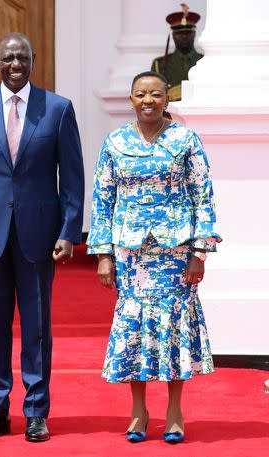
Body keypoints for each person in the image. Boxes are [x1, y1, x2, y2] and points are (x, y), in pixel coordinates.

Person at [0, 32, 85, 442]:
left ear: (34, 60)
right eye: (8, 58)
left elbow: (72, 178)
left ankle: (37, 410)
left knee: (37, 326)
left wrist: (69, 230)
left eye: (22, 57)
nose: (15, 64)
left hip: (39, 235)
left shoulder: (58, 109)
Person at [87, 71, 221, 444]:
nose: (148, 100)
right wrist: (102, 255)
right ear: (130, 99)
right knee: (135, 328)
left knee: (174, 326)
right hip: (131, 253)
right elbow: (102, 201)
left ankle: (175, 411)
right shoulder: (115, 142)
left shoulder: (185, 139)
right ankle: (138, 411)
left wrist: (199, 253)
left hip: (176, 253)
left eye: (156, 94)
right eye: (140, 94)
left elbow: (202, 196)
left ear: (167, 99)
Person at [151, 3, 203, 101]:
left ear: (194, 34)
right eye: (179, 33)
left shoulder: (204, 62)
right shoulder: (159, 65)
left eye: (188, 32)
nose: (184, 36)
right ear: (173, 36)